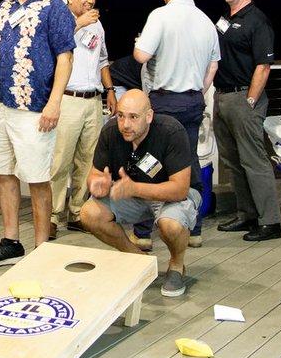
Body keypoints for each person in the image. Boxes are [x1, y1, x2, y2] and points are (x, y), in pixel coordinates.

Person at [0, 0, 76, 267]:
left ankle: (42, 249)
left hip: (34, 107)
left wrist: (55, 103)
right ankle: (11, 242)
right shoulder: (4, 6)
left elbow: (65, 58)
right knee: (4, 172)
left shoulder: (54, 7)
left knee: (37, 177)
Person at [80, 90, 201, 297]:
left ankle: (176, 266)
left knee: (171, 225)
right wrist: (96, 184)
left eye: (133, 117)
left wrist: (135, 188)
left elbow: (180, 189)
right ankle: (137, 258)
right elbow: (95, 174)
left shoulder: (171, 132)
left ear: (149, 116)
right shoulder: (110, 132)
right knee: (89, 213)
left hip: (172, 196)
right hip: (131, 196)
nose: (125, 124)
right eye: (121, 116)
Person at [133, 0, 220, 249]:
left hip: (164, 100)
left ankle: (143, 233)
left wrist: (140, 44)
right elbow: (213, 67)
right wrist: (197, 92)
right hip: (193, 100)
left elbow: (141, 55)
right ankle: (193, 230)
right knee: (190, 162)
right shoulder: (206, 21)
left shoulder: (160, 15)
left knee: (150, 162)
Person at [213, 0, 281, 241]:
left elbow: (263, 66)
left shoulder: (257, 21)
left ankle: (270, 222)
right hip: (222, 96)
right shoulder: (224, 19)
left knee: (254, 161)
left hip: (244, 97)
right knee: (232, 161)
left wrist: (250, 100)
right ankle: (247, 215)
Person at [48, 0, 116, 237]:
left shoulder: (97, 25)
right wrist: (78, 24)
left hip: (93, 100)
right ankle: (52, 215)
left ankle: (76, 213)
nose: (90, 1)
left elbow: (103, 60)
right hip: (68, 99)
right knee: (60, 161)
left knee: (87, 161)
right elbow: (51, 49)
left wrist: (110, 91)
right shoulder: (60, 20)